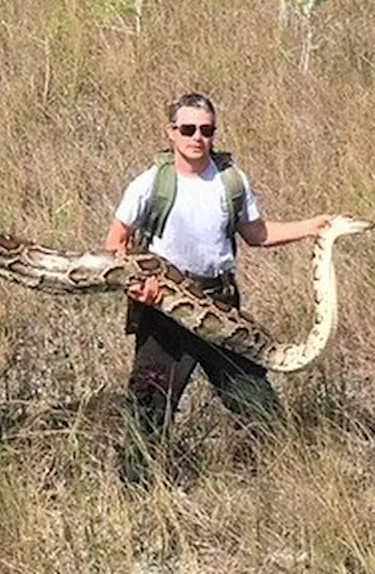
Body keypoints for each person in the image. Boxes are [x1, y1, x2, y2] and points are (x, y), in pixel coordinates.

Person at [103, 92, 331, 483]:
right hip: (165, 310)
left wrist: (312, 227)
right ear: (171, 132)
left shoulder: (230, 181)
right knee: (150, 407)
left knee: (256, 400)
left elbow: (256, 234)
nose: (197, 138)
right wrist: (139, 287)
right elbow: (116, 242)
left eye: (206, 130)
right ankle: (135, 496)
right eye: (188, 129)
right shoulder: (150, 183)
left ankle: (286, 480)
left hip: (220, 305)